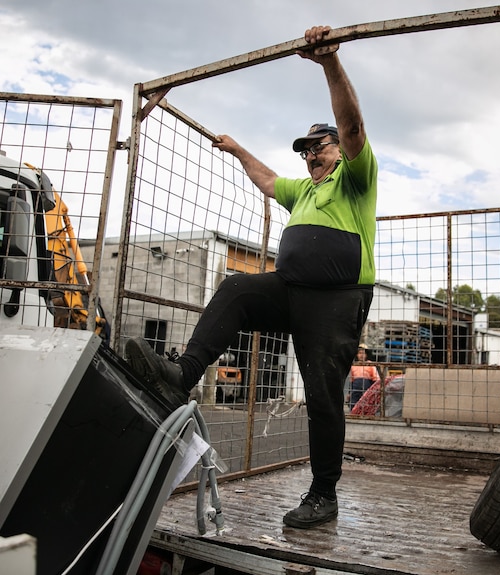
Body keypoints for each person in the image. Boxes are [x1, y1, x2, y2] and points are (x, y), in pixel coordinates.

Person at [124, 25, 378, 529]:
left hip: (336, 300)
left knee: (323, 397)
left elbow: (351, 129)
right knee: (238, 287)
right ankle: (181, 376)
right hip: (290, 293)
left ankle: (323, 495)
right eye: (305, 150)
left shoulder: (355, 178)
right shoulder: (304, 191)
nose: (311, 155)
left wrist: (329, 63)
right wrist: (237, 148)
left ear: (337, 149)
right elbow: (266, 178)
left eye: (318, 147)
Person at [348, 344, 381, 410]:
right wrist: (349, 393)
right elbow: (351, 380)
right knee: (354, 402)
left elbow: (375, 378)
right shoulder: (354, 365)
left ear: (366, 355)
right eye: (359, 353)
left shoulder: (370, 364)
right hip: (355, 387)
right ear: (357, 354)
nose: (361, 355)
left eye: (363, 353)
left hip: (367, 387)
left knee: (367, 402)